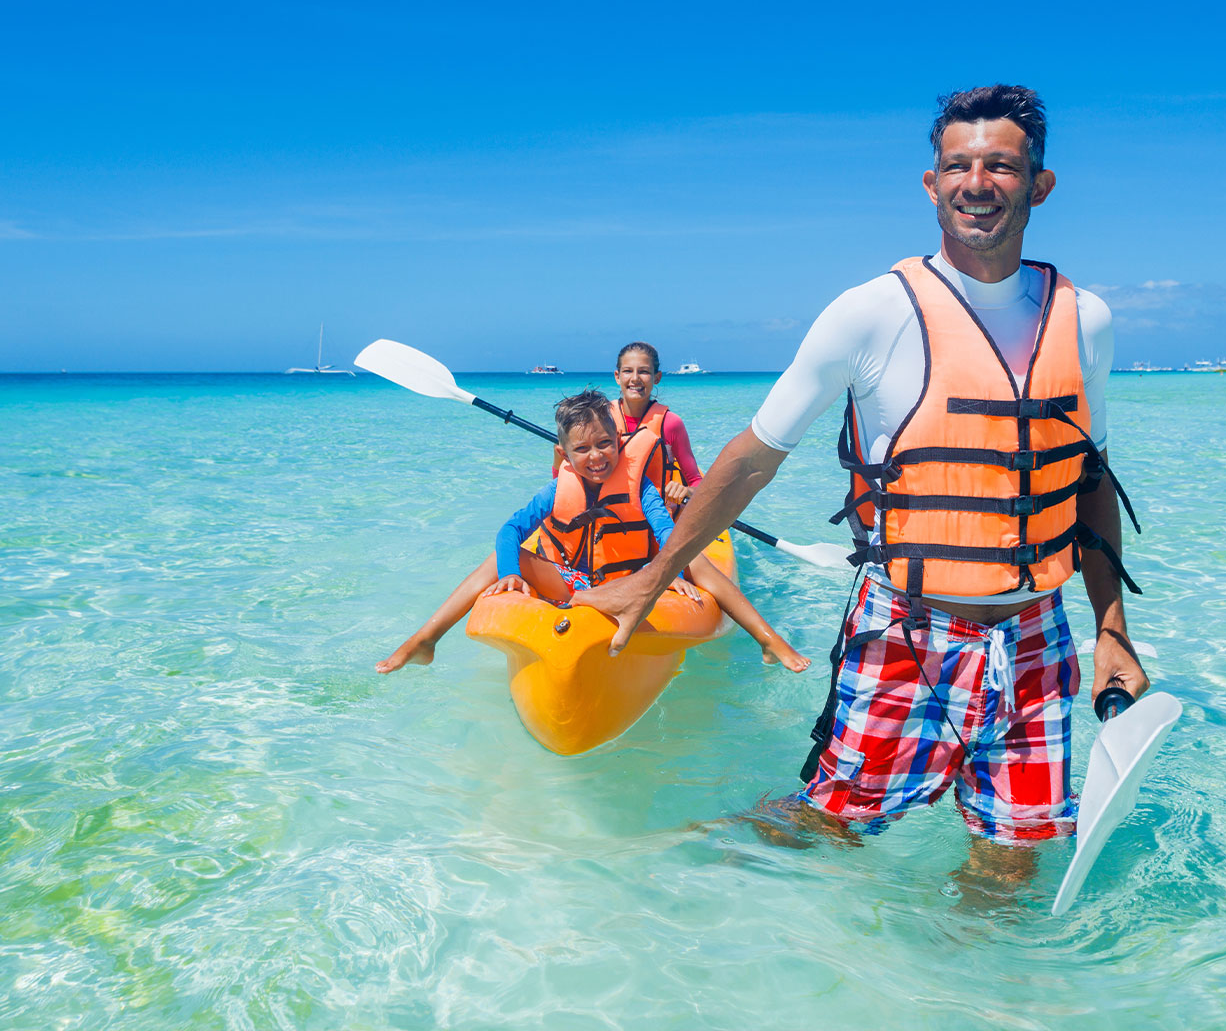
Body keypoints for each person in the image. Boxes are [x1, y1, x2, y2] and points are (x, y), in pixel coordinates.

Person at [575, 85, 1149, 849]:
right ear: (931, 184)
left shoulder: (1085, 320)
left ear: (1039, 185)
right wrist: (653, 580)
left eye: (1002, 166)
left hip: (1037, 639)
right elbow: (750, 461)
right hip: (906, 631)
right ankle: (662, 875)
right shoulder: (869, 312)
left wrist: (1112, 630)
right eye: (958, 166)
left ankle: (961, 974)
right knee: (823, 830)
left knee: (1014, 858)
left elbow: (1089, 478)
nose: (977, 183)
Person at [377, 389, 808, 674]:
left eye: (605, 443)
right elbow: (510, 529)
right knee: (497, 559)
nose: (597, 456)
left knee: (691, 554)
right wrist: (511, 570)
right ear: (564, 453)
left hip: (631, 581)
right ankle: (425, 639)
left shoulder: (640, 486)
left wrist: (671, 574)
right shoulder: (555, 490)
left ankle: (767, 639)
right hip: (573, 581)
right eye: (582, 449)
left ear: (620, 442)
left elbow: (665, 532)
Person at [551, 341, 702, 509]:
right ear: (617, 376)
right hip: (606, 515)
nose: (635, 378)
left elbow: (697, 482)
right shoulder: (600, 417)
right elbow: (561, 474)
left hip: (655, 518)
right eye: (628, 371)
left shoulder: (671, 423)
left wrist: (686, 491)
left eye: (644, 371)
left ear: (657, 377)